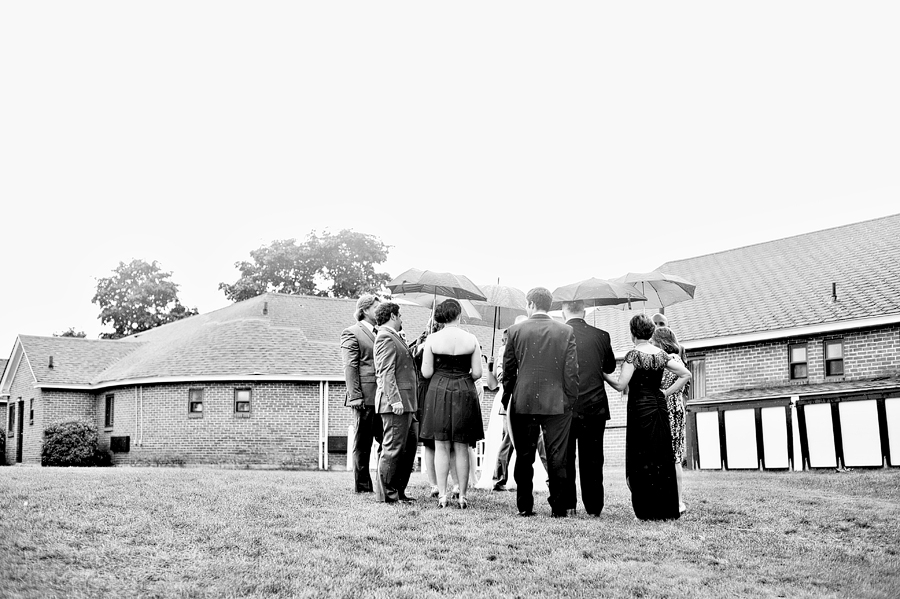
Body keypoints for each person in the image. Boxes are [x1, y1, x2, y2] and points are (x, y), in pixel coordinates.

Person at [603, 313, 691, 520]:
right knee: (661, 455)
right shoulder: (661, 355)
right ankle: (667, 507)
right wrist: (665, 393)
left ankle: (645, 509)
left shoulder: (633, 356)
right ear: (651, 332)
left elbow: (620, 385)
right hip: (659, 407)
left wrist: (603, 375)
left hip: (640, 410)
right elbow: (685, 374)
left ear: (633, 333)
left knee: (641, 457)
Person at [502, 287, 578, 518]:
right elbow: (572, 371)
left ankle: (525, 505)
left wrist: (508, 397)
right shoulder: (566, 331)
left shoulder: (515, 331)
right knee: (557, 456)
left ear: (531, 304)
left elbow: (508, 371)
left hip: (523, 401)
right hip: (557, 402)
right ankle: (558, 507)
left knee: (524, 455)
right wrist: (570, 398)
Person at [420, 299, 484, 508]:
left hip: (438, 390)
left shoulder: (432, 339)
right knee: (462, 445)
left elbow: (426, 372)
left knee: (440, 445)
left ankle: (442, 496)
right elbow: (477, 373)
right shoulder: (471, 338)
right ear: (459, 315)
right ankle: (463, 495)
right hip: (464, 390)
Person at [561, 300, 616, 516]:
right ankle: (594, 507)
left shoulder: (560, 334)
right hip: (594, 405)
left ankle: (568, 505)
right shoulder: (601, 335)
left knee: (566, 457)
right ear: (584, 311)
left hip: (566, 405)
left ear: (564, 311)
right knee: (593, 458)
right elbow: (610, 366)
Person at [373, 302, 419, 504]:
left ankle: (399, 491)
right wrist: (395, 400)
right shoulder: (384, 337)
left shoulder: (395, 338)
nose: (402, 320)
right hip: (396, 404)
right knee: (392, 449)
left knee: (407, 449)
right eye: (400, 316)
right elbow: (386, 372)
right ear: (393, 316)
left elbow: (402, 363)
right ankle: (388, 495)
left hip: (408, 403)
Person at [340, 294, 383, 494]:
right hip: (364, 397)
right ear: (365, 310)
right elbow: (350, 366)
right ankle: (363, 487)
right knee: (363, 443)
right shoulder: (351, 332)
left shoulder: (382, 332)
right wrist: (355, 395)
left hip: (384, 396)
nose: (380, 311)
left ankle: (384, 484)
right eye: (377, 308)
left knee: (386, 441)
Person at [652, 326, 688, 514]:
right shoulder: (675, 358)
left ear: (660, 342)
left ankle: (678, 501)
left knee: (673, 458)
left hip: (670, 410)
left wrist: (664, 392)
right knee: (672, 457)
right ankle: (674, 500)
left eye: (653, 341)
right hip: (674, 409)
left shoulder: (671, 359)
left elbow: (664, 384)